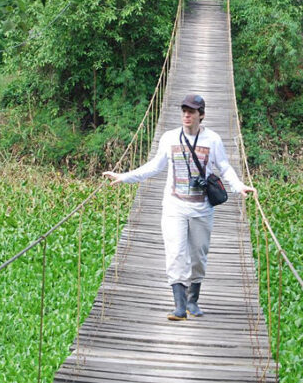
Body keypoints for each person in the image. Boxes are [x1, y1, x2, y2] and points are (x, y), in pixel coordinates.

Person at [103, 94, 255, 321]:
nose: (186, 115)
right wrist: (124, 177)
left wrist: (238, 186)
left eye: (191, 111)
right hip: (174, 207)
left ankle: (193, 300)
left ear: (201, 115)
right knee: (175, 253)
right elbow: (154, 166)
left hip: (202, 208)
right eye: (184, 111)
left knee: (198, 256)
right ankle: (179, 306)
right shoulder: (169, 138)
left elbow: (224, 167)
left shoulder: (212, 140)